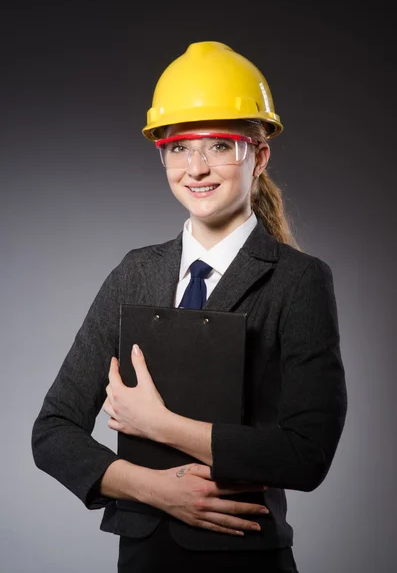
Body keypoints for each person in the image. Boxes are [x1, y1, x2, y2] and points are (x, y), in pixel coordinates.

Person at [31, 41, 348, 572]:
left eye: (219, 145)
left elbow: (307, 453)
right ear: (163, 156)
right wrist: (155, 489)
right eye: (179, 148)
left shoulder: (298, 281)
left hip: (246, 560)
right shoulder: (134, 273)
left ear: (259, 155)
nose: (196, 168)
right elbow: (53, 431)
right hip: (142, 560)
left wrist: (159, 424)